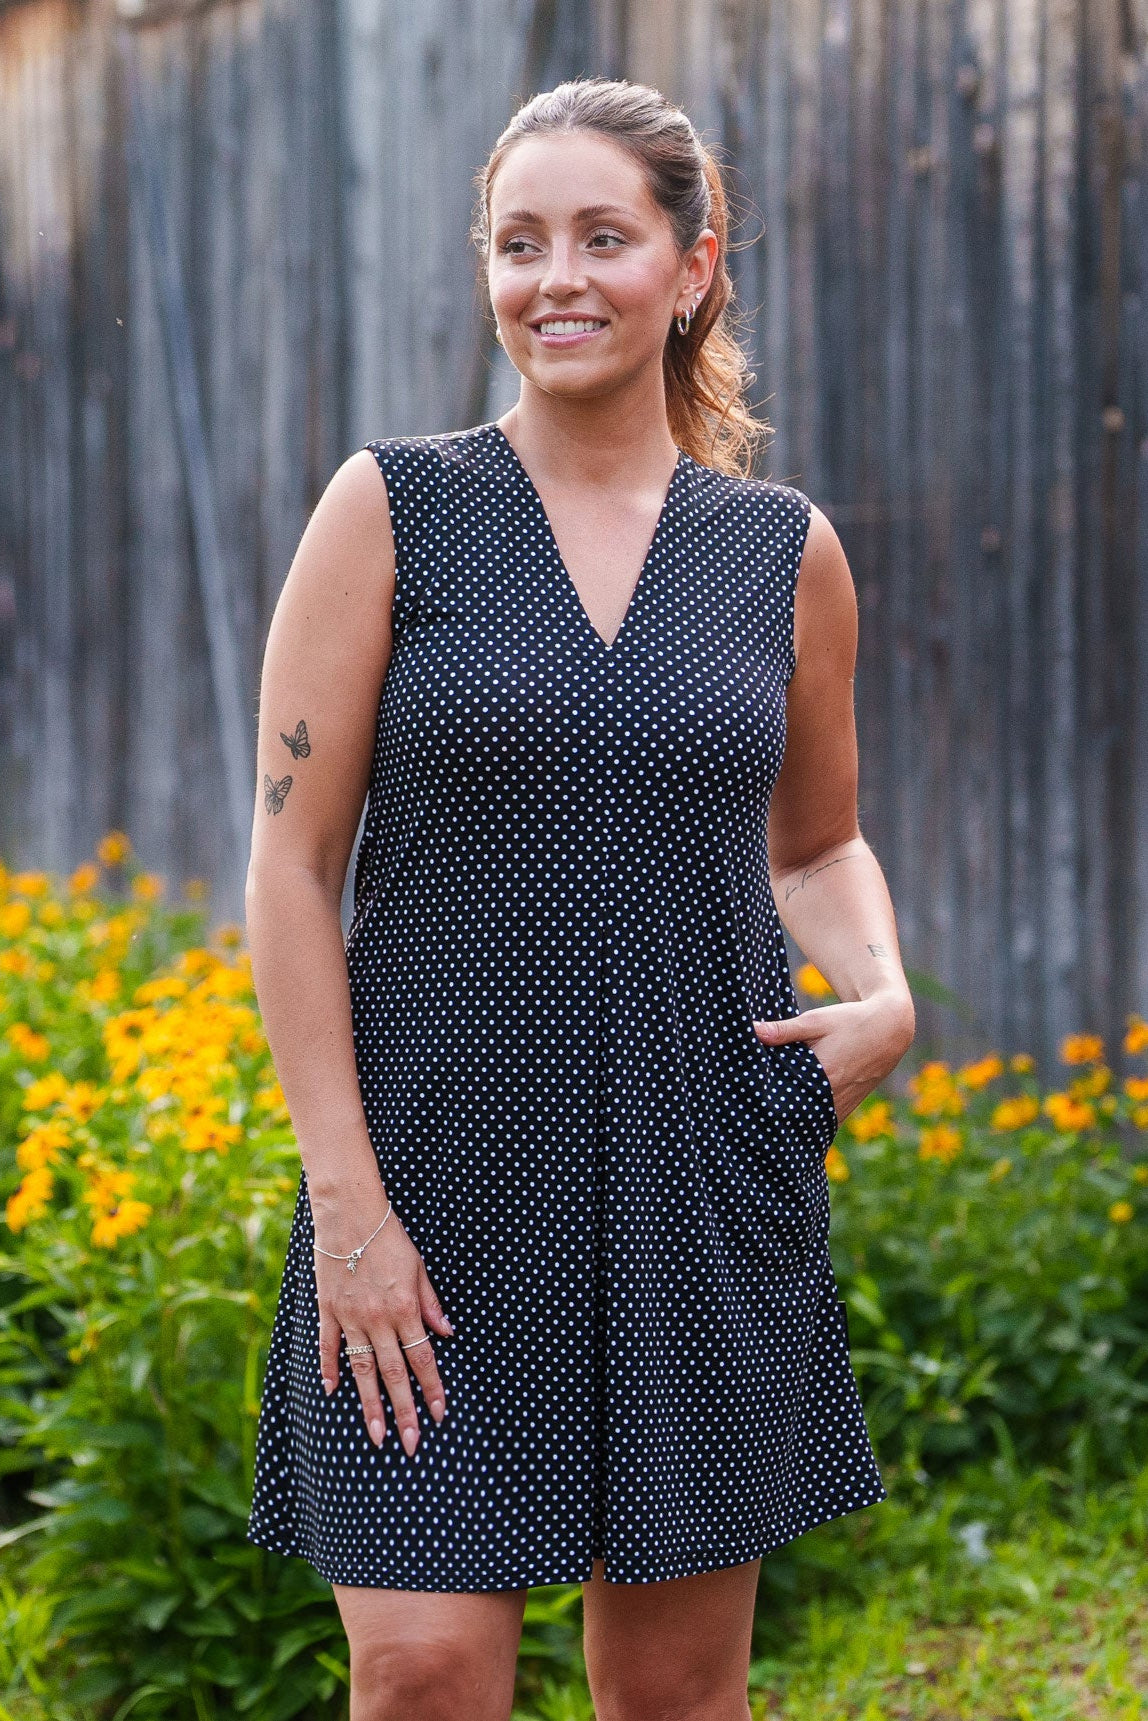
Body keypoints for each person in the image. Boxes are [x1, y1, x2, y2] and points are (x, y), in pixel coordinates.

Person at [245, 74, 915, 1721]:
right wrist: (348, 1205)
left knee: (676, 1695)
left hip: (696, 1179)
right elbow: (289, 865)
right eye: (519, 241)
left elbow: (816, 844)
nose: (557, 279)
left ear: (694, 268)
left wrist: (885, 990)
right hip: (427, 1185)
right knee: (422, 1672)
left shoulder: (782, 553)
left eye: (604, 237)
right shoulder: (394, 509)